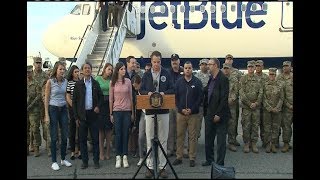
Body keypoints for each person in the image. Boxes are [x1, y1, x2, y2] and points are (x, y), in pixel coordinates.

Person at [140, 50, 174, 178]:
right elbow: (141, 90)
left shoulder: (167, 74)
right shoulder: (146, 75)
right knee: (149, 138)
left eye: (158, 62)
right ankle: (149, 167)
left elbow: (173, 88)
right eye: (154, 62)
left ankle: (162, 167)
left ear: (161, 61)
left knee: (163, 139)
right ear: (151, 61)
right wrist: (147, 93)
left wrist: (165, 94)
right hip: (149, 111)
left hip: (163, 111)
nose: (156, 64)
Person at [73, 62, 103, 169]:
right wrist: (76, 117)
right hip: (82, 116)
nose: (87, 70)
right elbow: (74, 102)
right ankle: (85, 162)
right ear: (82, 70)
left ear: (91, 70)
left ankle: (96, 161)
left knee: (95, 139)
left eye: (89, 68)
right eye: (85, 68)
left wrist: (98, 106)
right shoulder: (78, 84)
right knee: (82, 140)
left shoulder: (95, 83)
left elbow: (101, 97)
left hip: (93, 115)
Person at [172, 61, 203, 167]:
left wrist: (192, 109)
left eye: (189, 68)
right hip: (181, 114)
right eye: (186, 68)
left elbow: (200, 98)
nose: (187, 70)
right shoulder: (179, 82)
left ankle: (192, 158)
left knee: (192, 136)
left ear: (192, 69)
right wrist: (181, 109)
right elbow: (175, 98)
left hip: (193, 114)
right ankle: (179, 157)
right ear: (183, 69)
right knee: (180, 135)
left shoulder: (197, 82)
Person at [44, 61, 72, 171]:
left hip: (63, 109)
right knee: (54, 136)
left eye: (64, 69)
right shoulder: (50, 82)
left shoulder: (66, 82)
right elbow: (46, 98)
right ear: (56, 70)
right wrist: (46, 114)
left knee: (65, 135)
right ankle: (54, 161)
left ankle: (63, 158)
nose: (62, 71)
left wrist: (69, 112)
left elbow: (66, 97)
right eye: (60, 69)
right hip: (53, 109)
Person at [202, 58, 230, 166]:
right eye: (208, 64)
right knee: (208, 138)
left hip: (220, 115)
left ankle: (220, 163)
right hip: (209, 112)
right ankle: (209, 160)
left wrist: (219, 114)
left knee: (220, 141)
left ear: (216, 66)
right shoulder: (211, 78)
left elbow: (224, 98)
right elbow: (207, 91)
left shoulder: (223, 79)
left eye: (210, 64)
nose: (208, 66)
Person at [109, 62, 133, 168]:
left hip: (127, 110)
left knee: (126, 133)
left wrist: (132, 112)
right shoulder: (112, 82)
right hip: (117, 111)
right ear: (118, 70)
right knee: (118, 134)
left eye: (124, 69)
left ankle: (125, 156)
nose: (124, 70)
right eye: (122, 69)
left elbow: (131, 97)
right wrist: (111, 113)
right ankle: (118, 156)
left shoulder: (128, 81)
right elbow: (111, 99)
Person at [239, 60, 263, 153]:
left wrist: (256, 103)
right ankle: (246, 143)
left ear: (254, 68)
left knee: (255, 125)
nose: (251, 68)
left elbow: (261, 92)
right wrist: (249, 103)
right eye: (249, 67)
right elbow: (241, 92)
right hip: (246, 107)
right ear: (247, 68)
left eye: (252, 67)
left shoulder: (258, 79)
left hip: (256, 107)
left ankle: (254, 143)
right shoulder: (243, 79)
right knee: (246, 125)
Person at [30, 57, 49, 157]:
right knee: (35, 127)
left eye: (40, 63)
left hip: (43, 105)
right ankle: (36, 147)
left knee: (46, 126)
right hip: (33, 107)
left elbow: (48, 89)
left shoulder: (45, 76)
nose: (38, 64)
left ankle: (48, 146)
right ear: (33, 64)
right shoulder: (30, 76)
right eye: (36, 63)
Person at [263, 68, 284, 153]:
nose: (272, 76)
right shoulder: (265, 84)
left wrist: (277, 108)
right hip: (267, 110)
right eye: (270, 74)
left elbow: (282, 98)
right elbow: (263, 98)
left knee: (276, 127)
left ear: (276, 75)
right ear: (269, 75)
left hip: (277, 110)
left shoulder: (280, 85)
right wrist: (269, 108)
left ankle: (274, 144)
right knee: (267, 127)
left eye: (273, 74)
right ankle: (268, 144)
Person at [95, 63, 113, 160]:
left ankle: (108, 152)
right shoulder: (98, 79)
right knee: (101, 130)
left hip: (109, 105)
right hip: (100, 105)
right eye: (109, 69)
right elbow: (94, 92)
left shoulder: (112, 80)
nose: (110, 71)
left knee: (109, 130)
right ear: (105, 69)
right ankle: (101, 152)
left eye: (111, 70)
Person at [167, 53, 184, 157]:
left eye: (176, 60)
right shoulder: (167, 73)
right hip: (170, 103)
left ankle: (181, 149)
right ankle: (170, 149)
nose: (174, 62)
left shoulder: (184, 72)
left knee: (181, 128)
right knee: (170, 128)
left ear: (179, 61)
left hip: (181, 103)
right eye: (173, 60)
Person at [222, 63, 239, 152]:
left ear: (230, 69)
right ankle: (222, 143)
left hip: (232, 105)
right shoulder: (220, 78)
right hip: (222, 105)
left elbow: (236, 91)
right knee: (222, 124)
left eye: (227, 68)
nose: (226, 70)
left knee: (232, 124)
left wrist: (232, 98)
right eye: (224, 68)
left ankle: (231, 142)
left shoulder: (234, 79)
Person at [276, 61, 293, 152]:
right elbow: (279, 94)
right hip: (285, 107)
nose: (285, 67)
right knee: (286, 126)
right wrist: (288, 105)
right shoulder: (279, 78)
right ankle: (286, 143)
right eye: (283, 66)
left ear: (291, 67)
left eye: (287, 66)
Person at [66, 65, 81, 160]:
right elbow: (68, 96)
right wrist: (73, 106)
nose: (77, 73)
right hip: (72, 109)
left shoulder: (81, 82)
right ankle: (72, 151)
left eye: (78, 71)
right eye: (75, 72)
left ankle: (79, 150)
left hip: (80, 109)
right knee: (72, 129)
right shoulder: (69, 83)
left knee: (80, 130)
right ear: (72, 73)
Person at [194, 58, 210, 139]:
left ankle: (208, 142)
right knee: (197, 125)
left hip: (209, 105)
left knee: (209, 125)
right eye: (202, 64)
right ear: (200, 66)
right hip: (199, 104)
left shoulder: (211, 76)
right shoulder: (196, 77)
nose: (204, 66)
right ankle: (195, 142)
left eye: (206, 64)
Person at [255, 60, 269, 148]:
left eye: (259, 66)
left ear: (263, 67)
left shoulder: (266, 77)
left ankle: (265, 141)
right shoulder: (252, 76)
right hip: (255, 105)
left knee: (264, 124)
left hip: (264, 105)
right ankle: (253, 142)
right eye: (256, 66)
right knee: (254, 124)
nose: (258, 67)